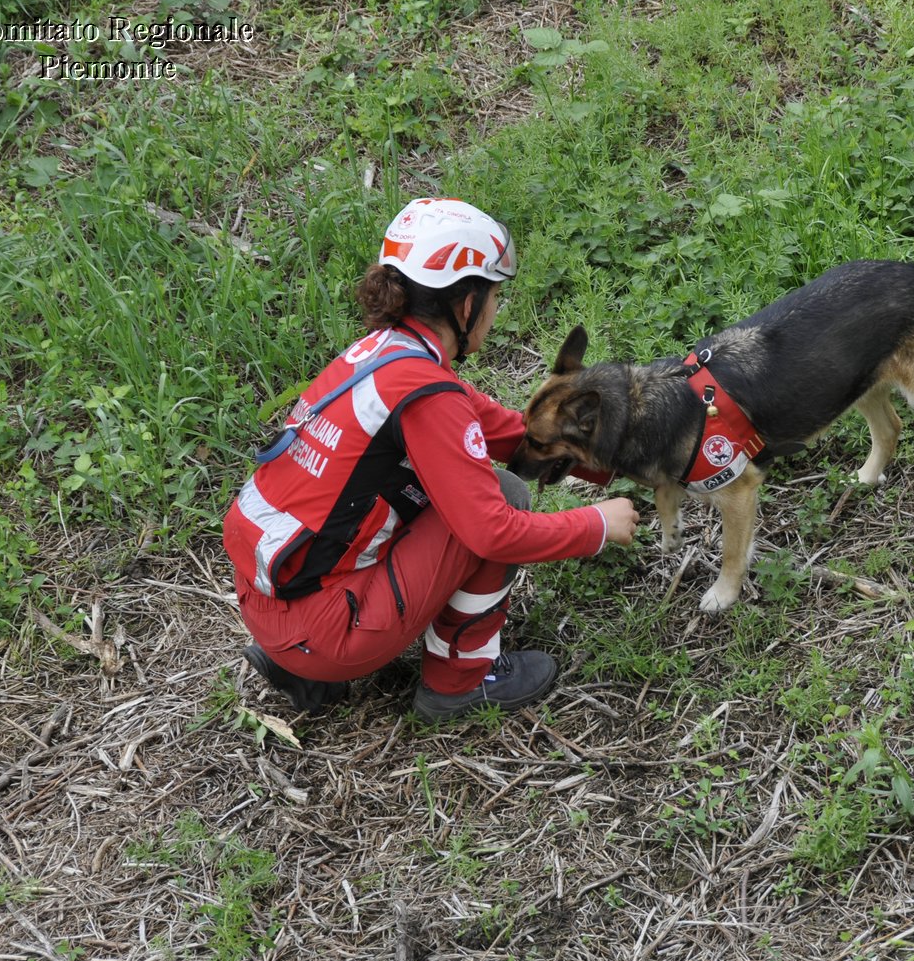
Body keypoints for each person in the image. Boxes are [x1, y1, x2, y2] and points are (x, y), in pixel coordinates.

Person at [223, 198, 639, 722]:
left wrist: (616, 458)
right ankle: (461, 681)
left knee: (444, 492)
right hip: (327, 633)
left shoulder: (384, 354)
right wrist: (596, 524)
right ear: (466, 306)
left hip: (271, 608)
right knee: (502, 498)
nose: (494, 312)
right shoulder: (428, 395)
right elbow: (494, 533)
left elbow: (501, 429)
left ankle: (298, 666)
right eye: (494, 298)